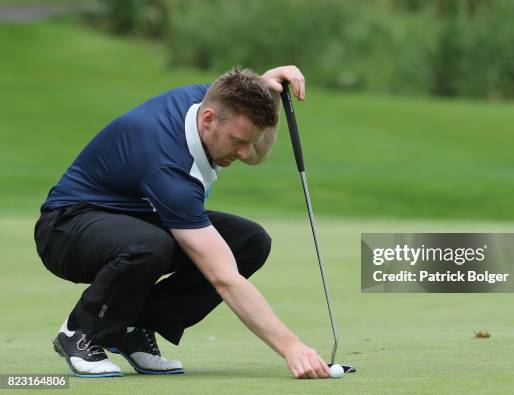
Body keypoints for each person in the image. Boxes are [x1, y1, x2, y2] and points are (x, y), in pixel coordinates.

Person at [34, 65, 331, 379]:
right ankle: (80, 331)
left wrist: (269, 92)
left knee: (249, 242)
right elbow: (224, 278)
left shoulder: (211, 101)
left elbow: (257, 151)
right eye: (237, 141)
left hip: (135, 217)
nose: (245, 153)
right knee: (150, 246)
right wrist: (291, 347)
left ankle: (133, 327)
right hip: (66, 229)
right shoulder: (169, 168)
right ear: (208, 120)